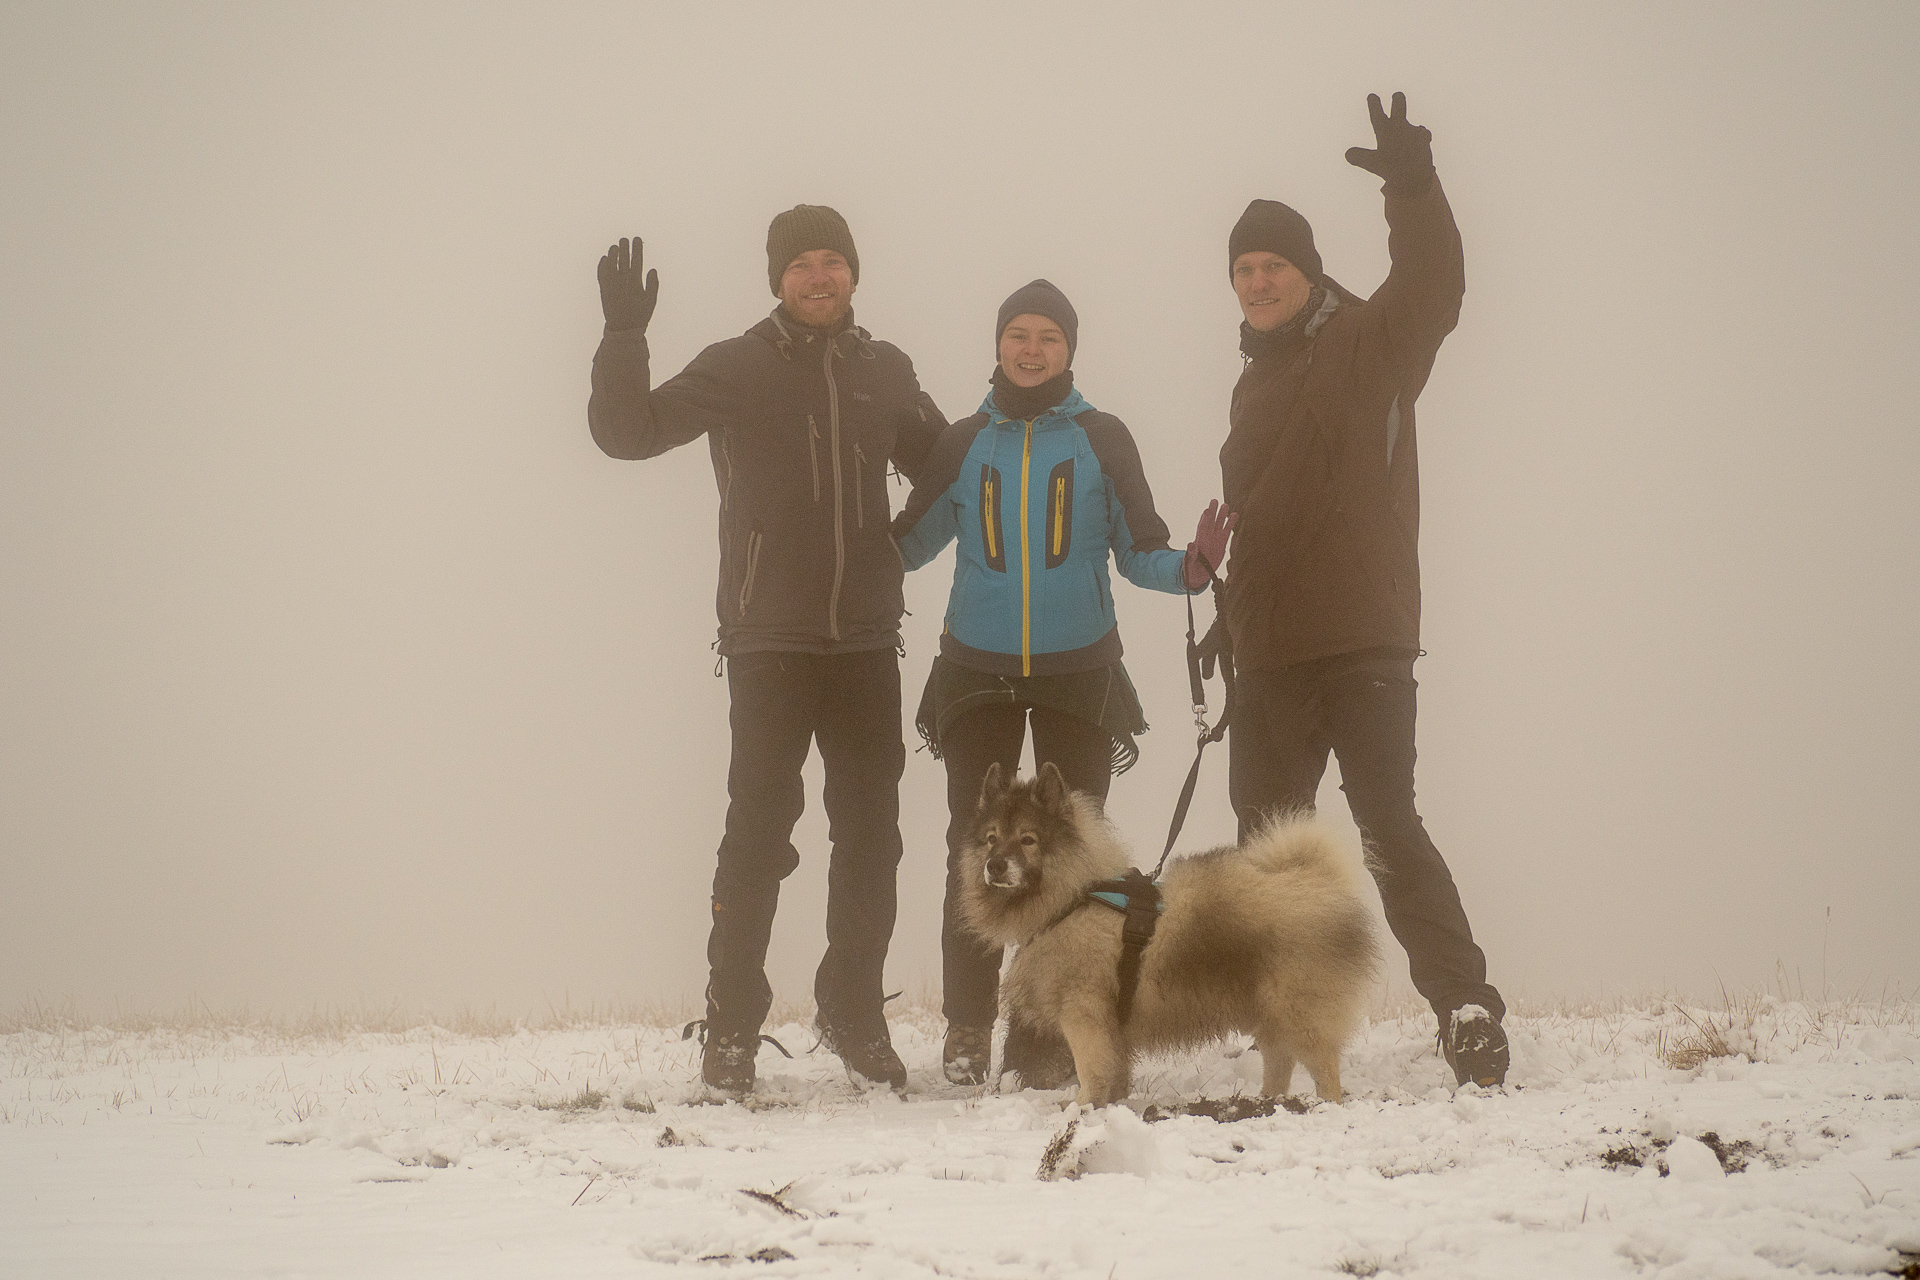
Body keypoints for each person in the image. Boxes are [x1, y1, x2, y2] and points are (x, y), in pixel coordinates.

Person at [588, 205, 946, 1095]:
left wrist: (893, 541)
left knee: (872, 837)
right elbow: (626, 434)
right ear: (777, 279)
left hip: (865, 643)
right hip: (769, 645)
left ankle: (852, 1010)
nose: (818, 276)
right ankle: (734, 1027)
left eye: (833, 261)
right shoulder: (737, 366)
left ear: (854, 274)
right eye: (801, 265)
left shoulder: (885, 370)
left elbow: (946, 467)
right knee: (758, 835)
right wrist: (623, 337)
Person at [1215, 93, 1510, 1087]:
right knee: (1269, 848)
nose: (1259, 282)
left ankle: (1465, 1004)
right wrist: (1224, 616)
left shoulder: (1371, 345)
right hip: (1266, 648)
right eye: (1245, 270)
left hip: (1364, 639)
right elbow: (1254, 524)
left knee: (1387, 825)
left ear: (1308, 272)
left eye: (1275, 266)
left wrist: (1413, 189)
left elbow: (1434, 285)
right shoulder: (1249, 383)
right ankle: (1284, 1021)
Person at [891, 279, 1232, 1086]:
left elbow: (1140, 547)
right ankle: (970, 1027)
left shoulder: (1102, 437)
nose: (1032, 347)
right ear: (1000, 344)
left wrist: (1190, 569)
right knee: (975, 852)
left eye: (1049, 335)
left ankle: (1045, 1034)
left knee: (1075, 865)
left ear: (1070, 350)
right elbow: (908, 544)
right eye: (1019, 333)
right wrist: (837, 546)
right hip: (973, 670)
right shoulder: (967, 439)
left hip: (1081, 671)